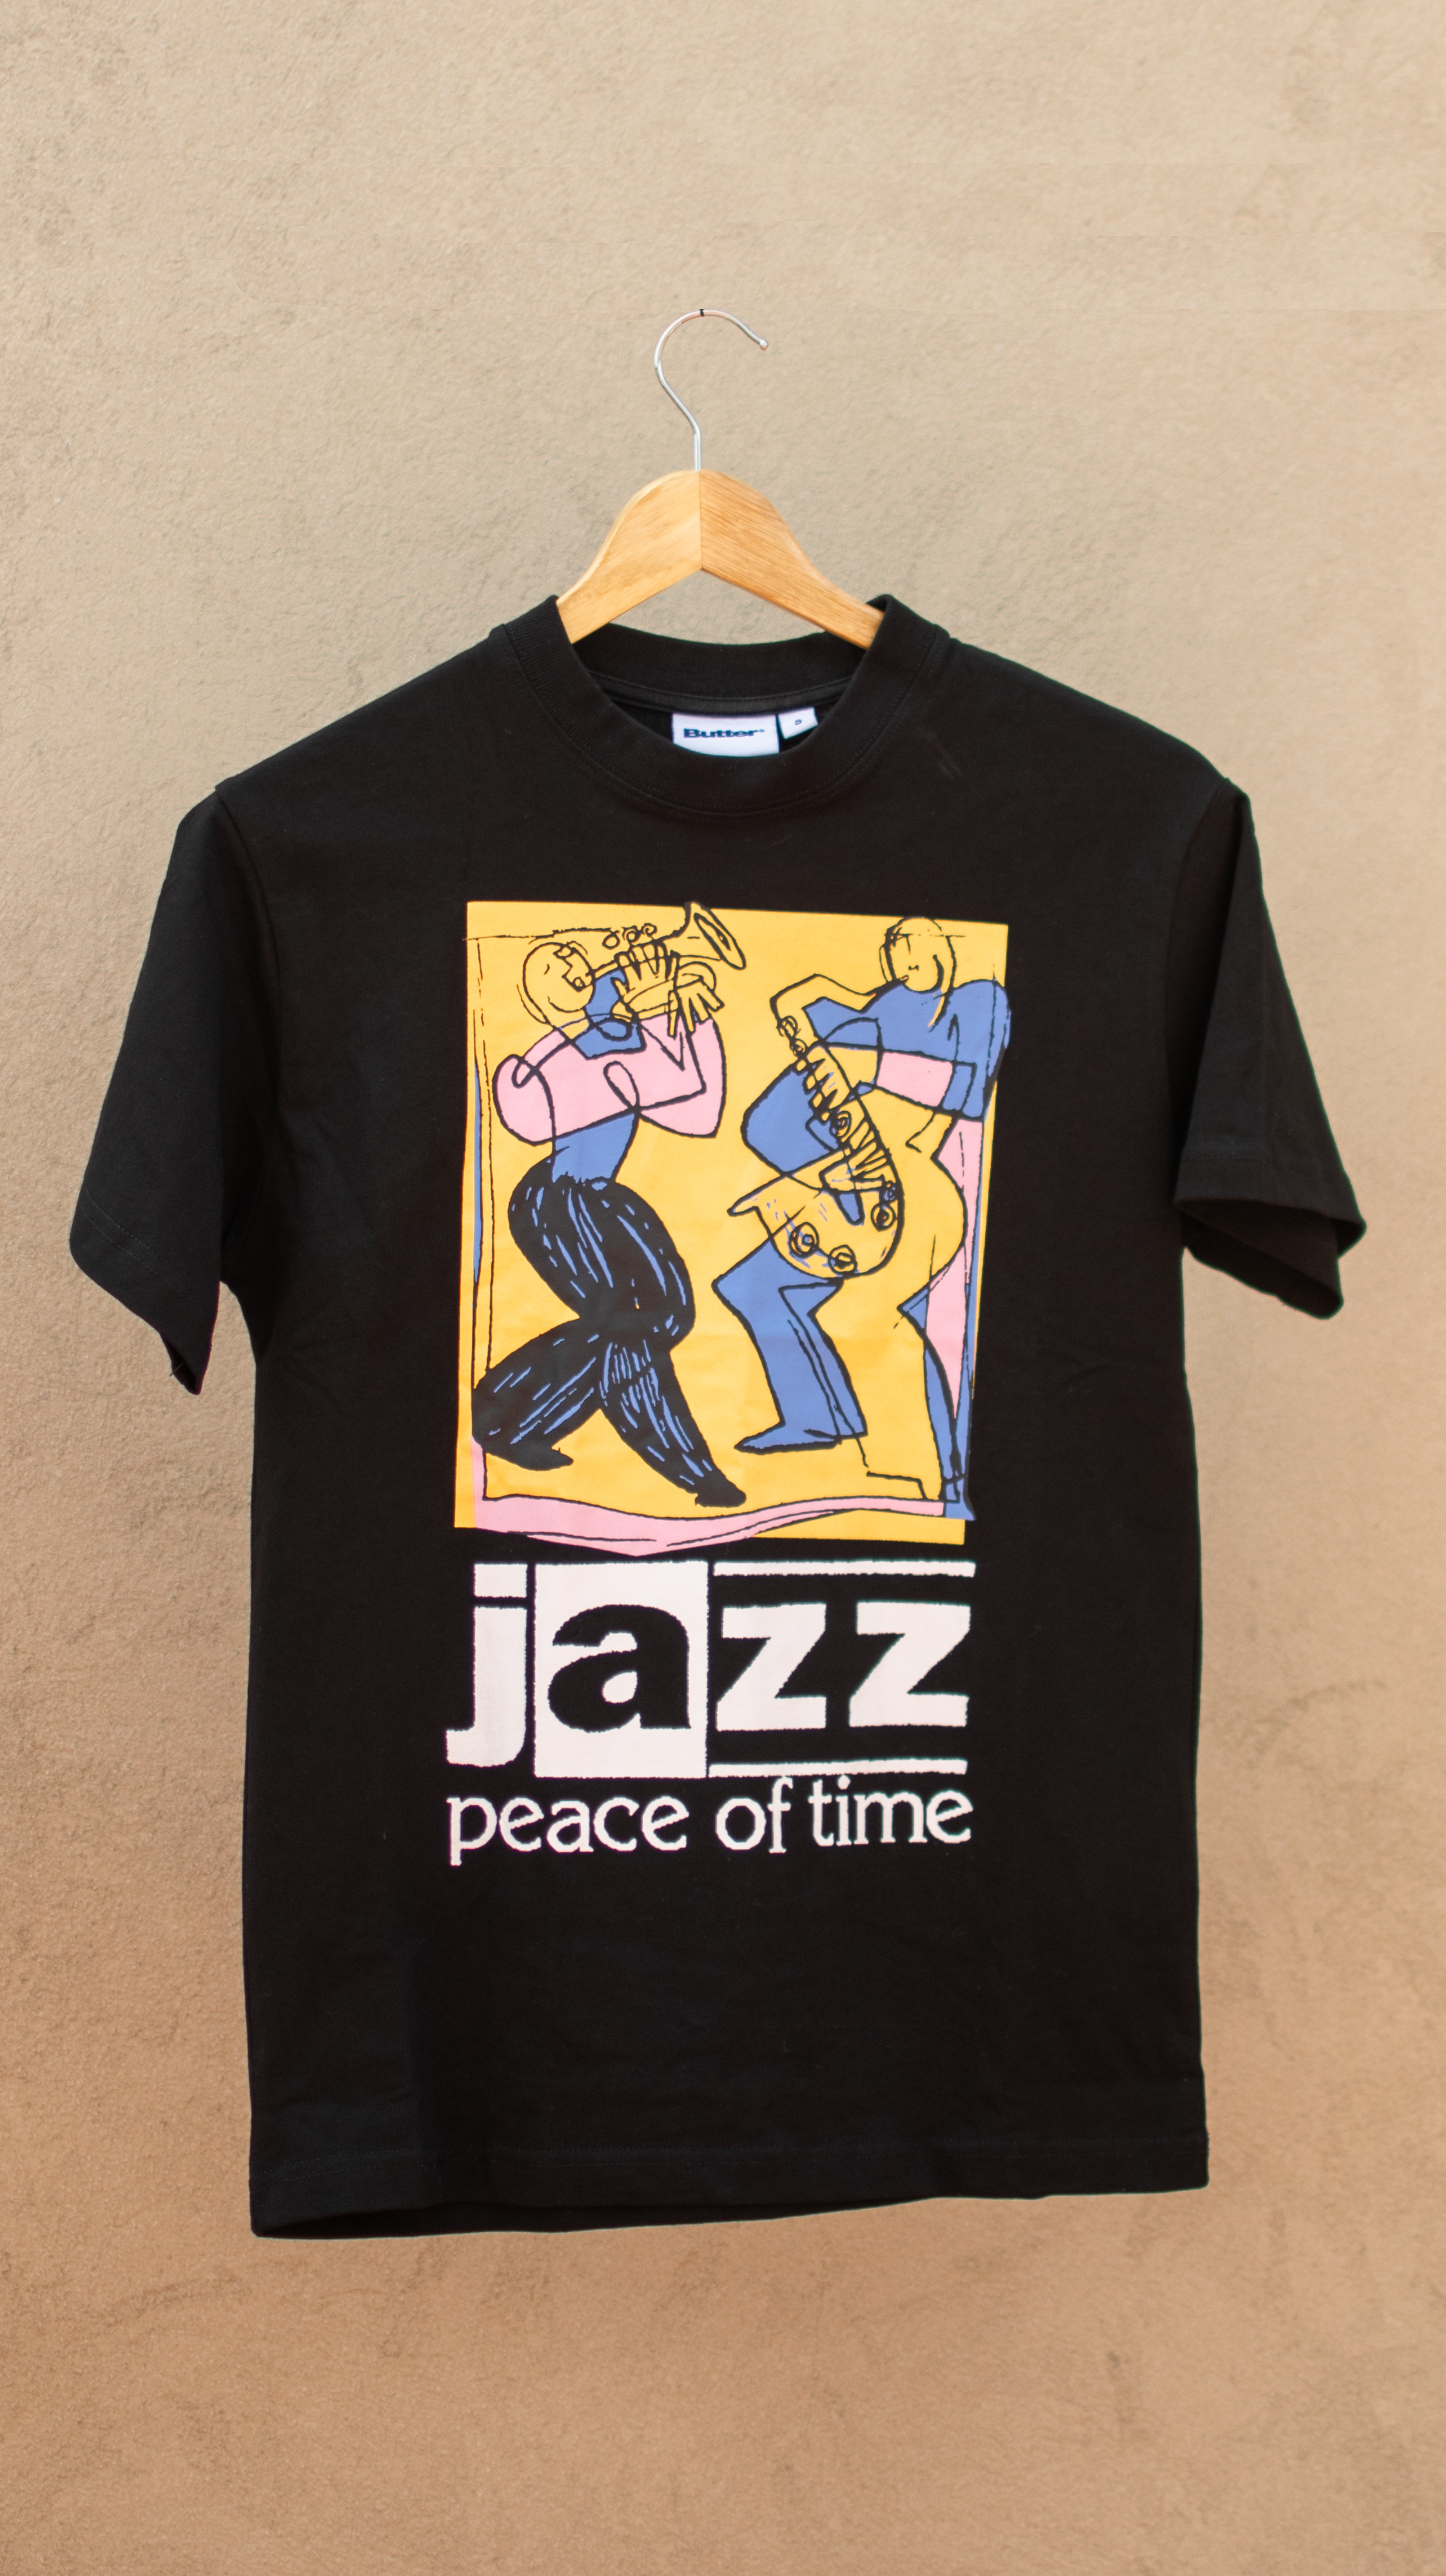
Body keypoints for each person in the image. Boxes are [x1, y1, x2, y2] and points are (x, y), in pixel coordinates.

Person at [714, 918, 1009, 1513]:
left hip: (925, 1191)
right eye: (892, 951)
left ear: (940, 946)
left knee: (917, 1328)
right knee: (752, 1285)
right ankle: (816, 1417)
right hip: (855, 1188)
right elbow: (806, 1098)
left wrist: (871, 1067)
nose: (899, 961)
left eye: (910, 948)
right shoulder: (884, 1004)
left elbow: (971, 1090)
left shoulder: (978, 998)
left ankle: (945, 1487)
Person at [472, 934, 745, 1509]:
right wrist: (657, 1009)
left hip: (599, 1199)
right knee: (631, 1324)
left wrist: (691, 1020)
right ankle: (694, 1471)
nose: (577, 965)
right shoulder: (557, 1060)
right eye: (554, 967)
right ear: (542, 1002)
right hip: (558, 1204)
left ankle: (508, 1418)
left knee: (666, 1316)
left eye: (574, 956)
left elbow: (698, 1113)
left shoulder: (618, 1040)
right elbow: (666, 1081)